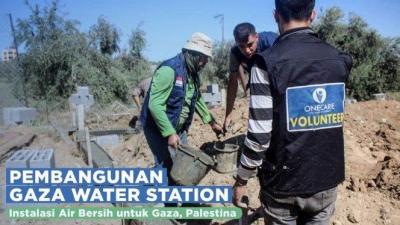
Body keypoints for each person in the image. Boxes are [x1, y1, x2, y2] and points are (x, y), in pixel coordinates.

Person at [233, 1, 353, 225]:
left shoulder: (264, 64)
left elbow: (259, 137)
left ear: (276, 15)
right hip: (326, 182)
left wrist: (241, 179)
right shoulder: (339, 59)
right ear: (313, 15)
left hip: (282, 186)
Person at [140, 32, 223, 185]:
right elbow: (155, 104)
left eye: (207, 59)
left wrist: (212, 122)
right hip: (157, 128)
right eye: (203, 58)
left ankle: (185, 201)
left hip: (178, 128)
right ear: (193, 54)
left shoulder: (193, 74)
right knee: (165, 166)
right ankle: (170, 205)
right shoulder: (169, 70)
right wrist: (170, 133)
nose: (205, 62)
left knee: (184, 164)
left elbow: (196, 99)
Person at [223, 22, 278, 132]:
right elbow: (233, 83)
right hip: (258, 83)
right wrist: (228, 115)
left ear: (256, 36)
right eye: (241, 46)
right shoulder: (235, 52)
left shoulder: (271, 41)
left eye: (250, 44)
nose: (247, 50)